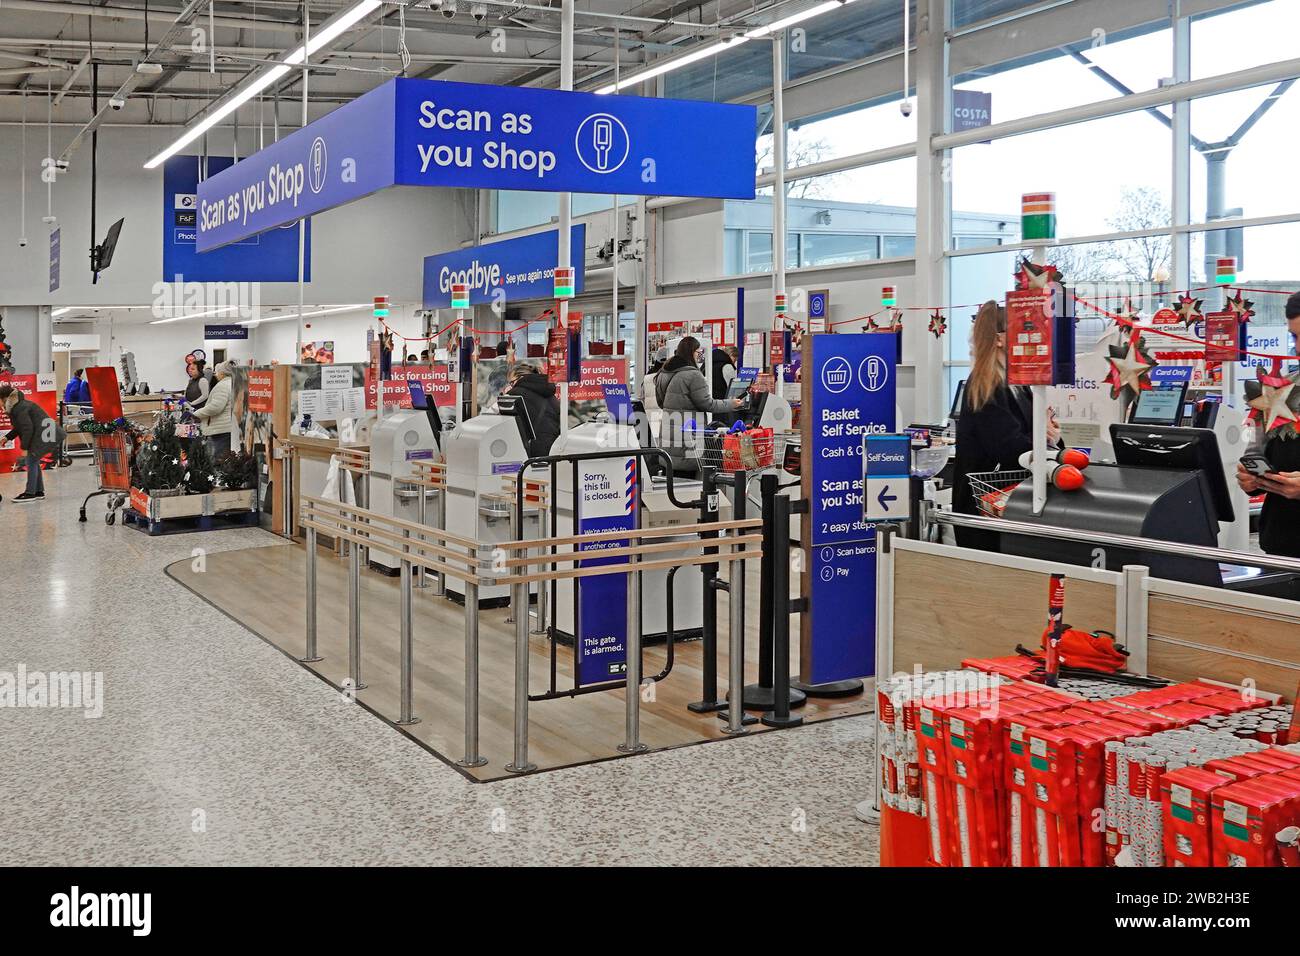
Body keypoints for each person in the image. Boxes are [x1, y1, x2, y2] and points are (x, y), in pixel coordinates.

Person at [951, 300, 1061, 552]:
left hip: (1011, 503)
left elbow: (1034, 434)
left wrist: (1050, 435)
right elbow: (1008, 448)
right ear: (999, 339)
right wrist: (1041, 434)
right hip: (985, 508)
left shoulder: (1018, 384)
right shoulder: (985, 386)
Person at [1236, 292, 1300, 558]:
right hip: (1281, 542)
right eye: (1295, 336)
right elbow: (1253, 448)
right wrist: (1249, 476)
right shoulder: (1279, 390)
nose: (1299, 347)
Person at [654, 336, 744, 473]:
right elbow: (708, 405)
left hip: (668, 434)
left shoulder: (663, 372)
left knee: (672, 483)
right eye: (697, 352)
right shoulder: (693, 375)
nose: (698, 355)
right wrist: (731, 404)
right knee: (689, 484)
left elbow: (661, 403)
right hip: (688, 436)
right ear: (691, 353)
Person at [2, 384, 65, 502]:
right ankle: (38, 491)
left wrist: (24, 447)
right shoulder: (18, 406)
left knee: (31, 460)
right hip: (44, 434)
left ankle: (30, 493)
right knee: (34, 461)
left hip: (45, 435)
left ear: (5, 398)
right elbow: (19, 427)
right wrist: (7, 437)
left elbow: (27, 428)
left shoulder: (19, 408)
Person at [502, 361, 560, 457]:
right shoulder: (550, 394)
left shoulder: (515, 393)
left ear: (520, 378)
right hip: (552, 448)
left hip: (528, 451)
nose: (511, 386)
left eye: (512, 382)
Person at [193, 361, 235, 458]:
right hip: (228, 427)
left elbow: (216, 407)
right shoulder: (233, 383)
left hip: (221, 429)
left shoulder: (223, 386)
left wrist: (197, 413)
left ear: (222, 373)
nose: (215, 375)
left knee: (219, 460)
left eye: (217, 372)